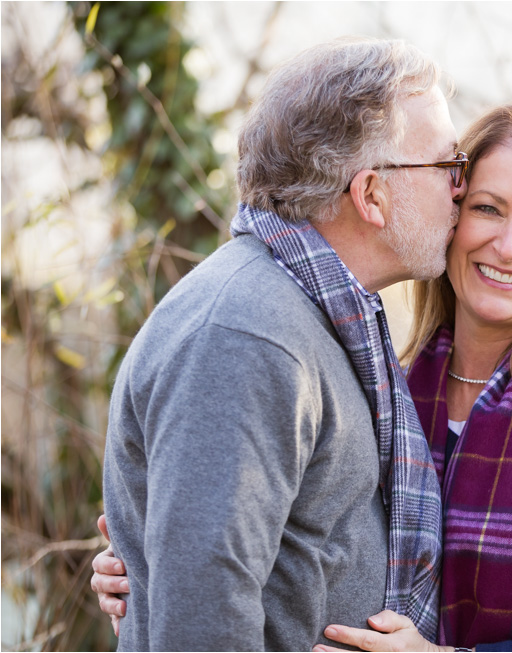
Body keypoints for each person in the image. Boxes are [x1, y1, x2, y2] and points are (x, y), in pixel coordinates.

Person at [94, 105, 512, 650]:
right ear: (450, 216)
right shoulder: (386, 392)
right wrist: (153, 566)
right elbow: (290, 544)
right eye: (486, 208)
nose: (508, 245)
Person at [95, 36, 467, 651]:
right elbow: (202, 614)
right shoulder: (244, 337)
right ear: (371, 194)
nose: (459, 187)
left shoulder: (318, 317)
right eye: (445, 166)